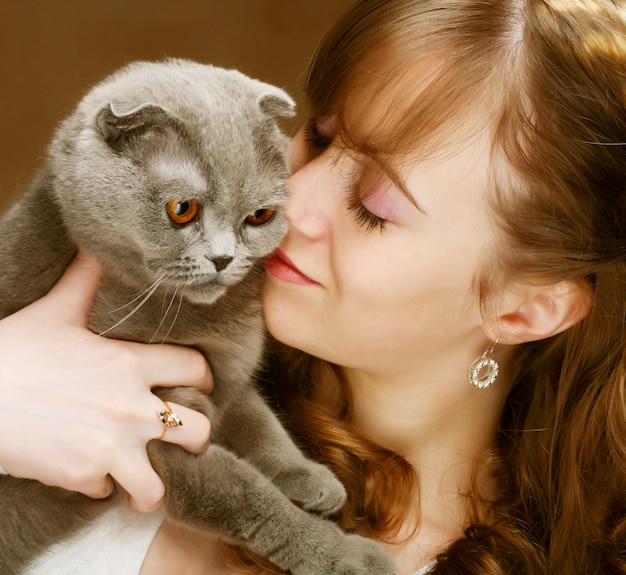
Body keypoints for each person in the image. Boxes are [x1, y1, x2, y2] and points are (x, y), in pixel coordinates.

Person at [2, 0, 625, 573]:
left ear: (526, 309)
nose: (294, 200)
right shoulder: (92, 341)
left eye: (374, 208)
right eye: (319, 137)